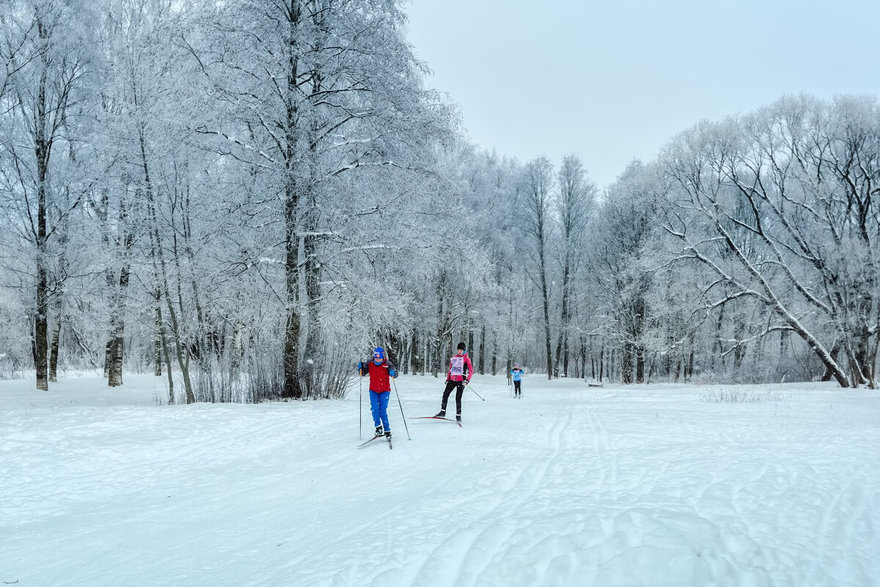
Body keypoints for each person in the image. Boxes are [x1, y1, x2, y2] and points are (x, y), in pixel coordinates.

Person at [358, 347, 397, 438]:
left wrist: (393, 373)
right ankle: (378, 427)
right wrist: (360, 368)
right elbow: (363, 373)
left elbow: (395, 374)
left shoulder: (387, 364)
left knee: (382, 410)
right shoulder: (369, 363)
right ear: (374, 356)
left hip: (385, 390)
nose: (377, 359)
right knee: (374, 409)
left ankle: (387, 430)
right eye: (376, 357)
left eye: (379, 358)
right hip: (373, 390)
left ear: (382, 357)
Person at [435, 342, 472, 422]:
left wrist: (467, 380)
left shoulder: (466, 359)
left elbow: (471, 371)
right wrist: (448, 379)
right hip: (452, 379)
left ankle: (458, 415)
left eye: (461, 350)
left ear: (464, 350)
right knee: (445, 394)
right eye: (458, 350)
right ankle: (442, 411)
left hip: (461, 381)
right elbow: (450, 369)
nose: (459, 351)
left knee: (458, 398)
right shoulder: (454, 358)